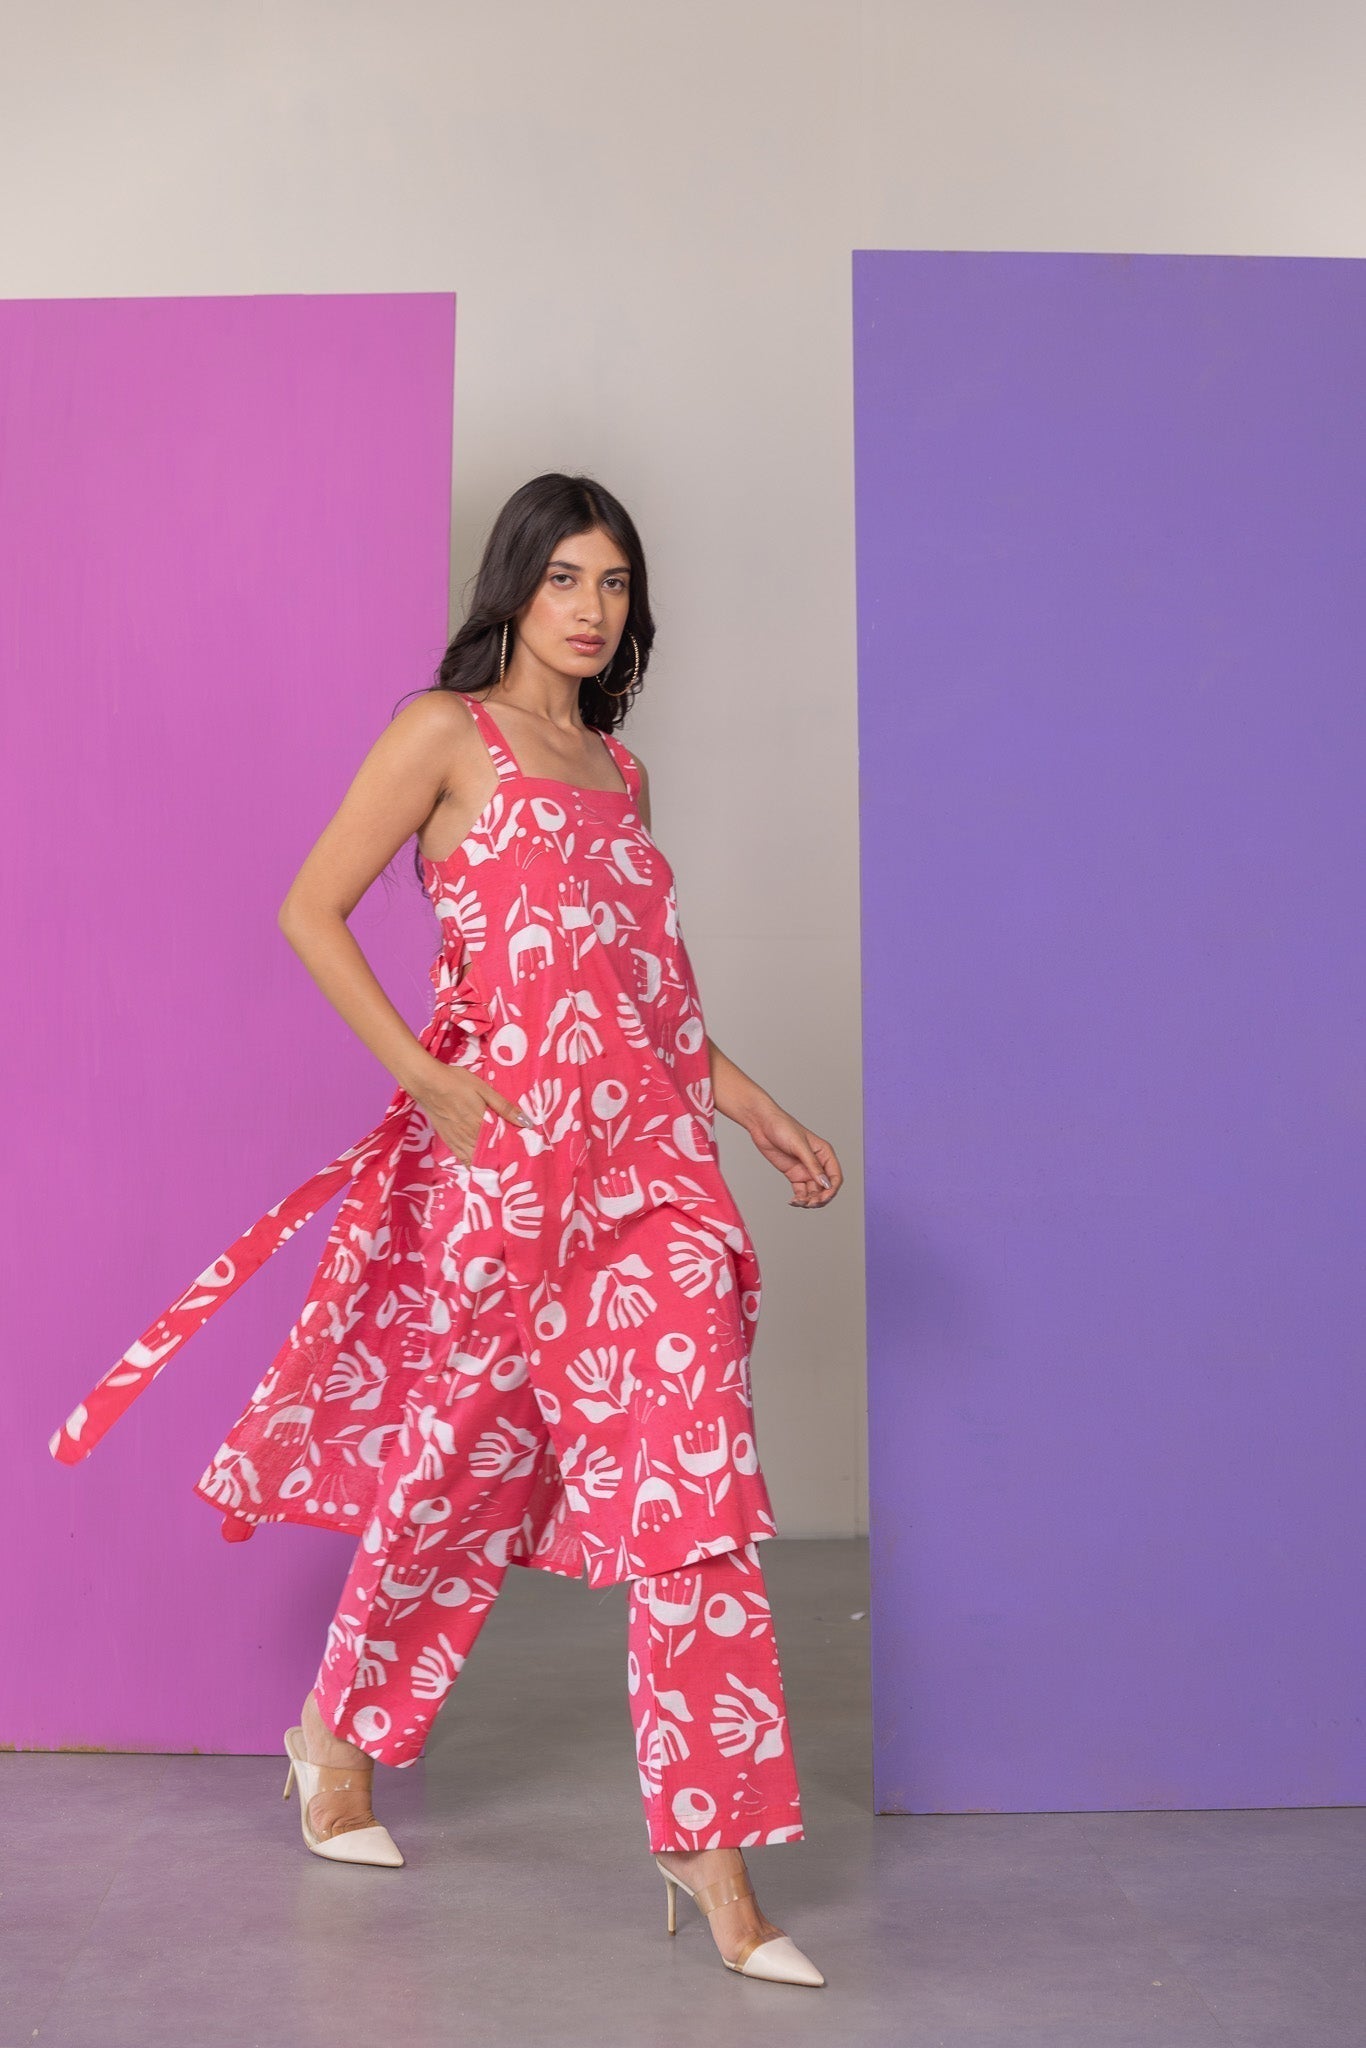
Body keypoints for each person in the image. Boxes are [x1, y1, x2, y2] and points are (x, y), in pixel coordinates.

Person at [51, 472, 842, 1987]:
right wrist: (426, 1076)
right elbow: (311, 908)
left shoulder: (621, 773)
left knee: (698, 1487)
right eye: (566, 579)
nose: (591, 608)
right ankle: (335, 1735)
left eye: (615, 582)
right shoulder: (444, 733)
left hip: (651, 1175)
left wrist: (751, 1109)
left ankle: (714, 1850)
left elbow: (650, 1007)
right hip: (511, 1172)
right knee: (459, 1470)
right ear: (515, 588)